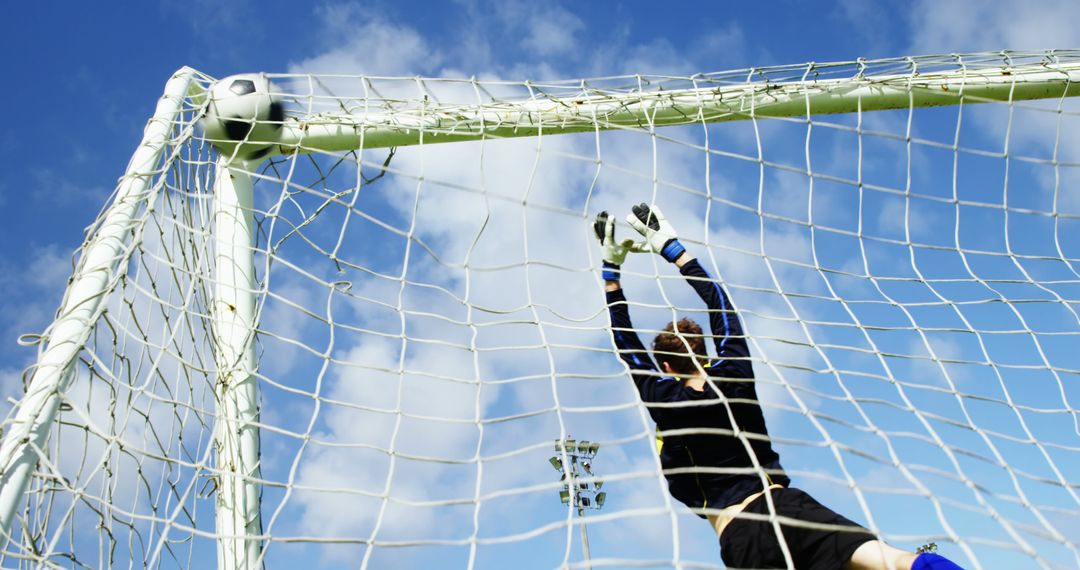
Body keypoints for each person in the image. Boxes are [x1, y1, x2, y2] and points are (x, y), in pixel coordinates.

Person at [596, 203, 963, 570]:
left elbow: (627, 345)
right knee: (895, 561)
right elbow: (720, 304)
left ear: (665, 366)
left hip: (739, 534)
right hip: (789, 507)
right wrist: (673, 249)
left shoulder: (665, 400)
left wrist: (611, 274)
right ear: (705, 349)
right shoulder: (734, 373)